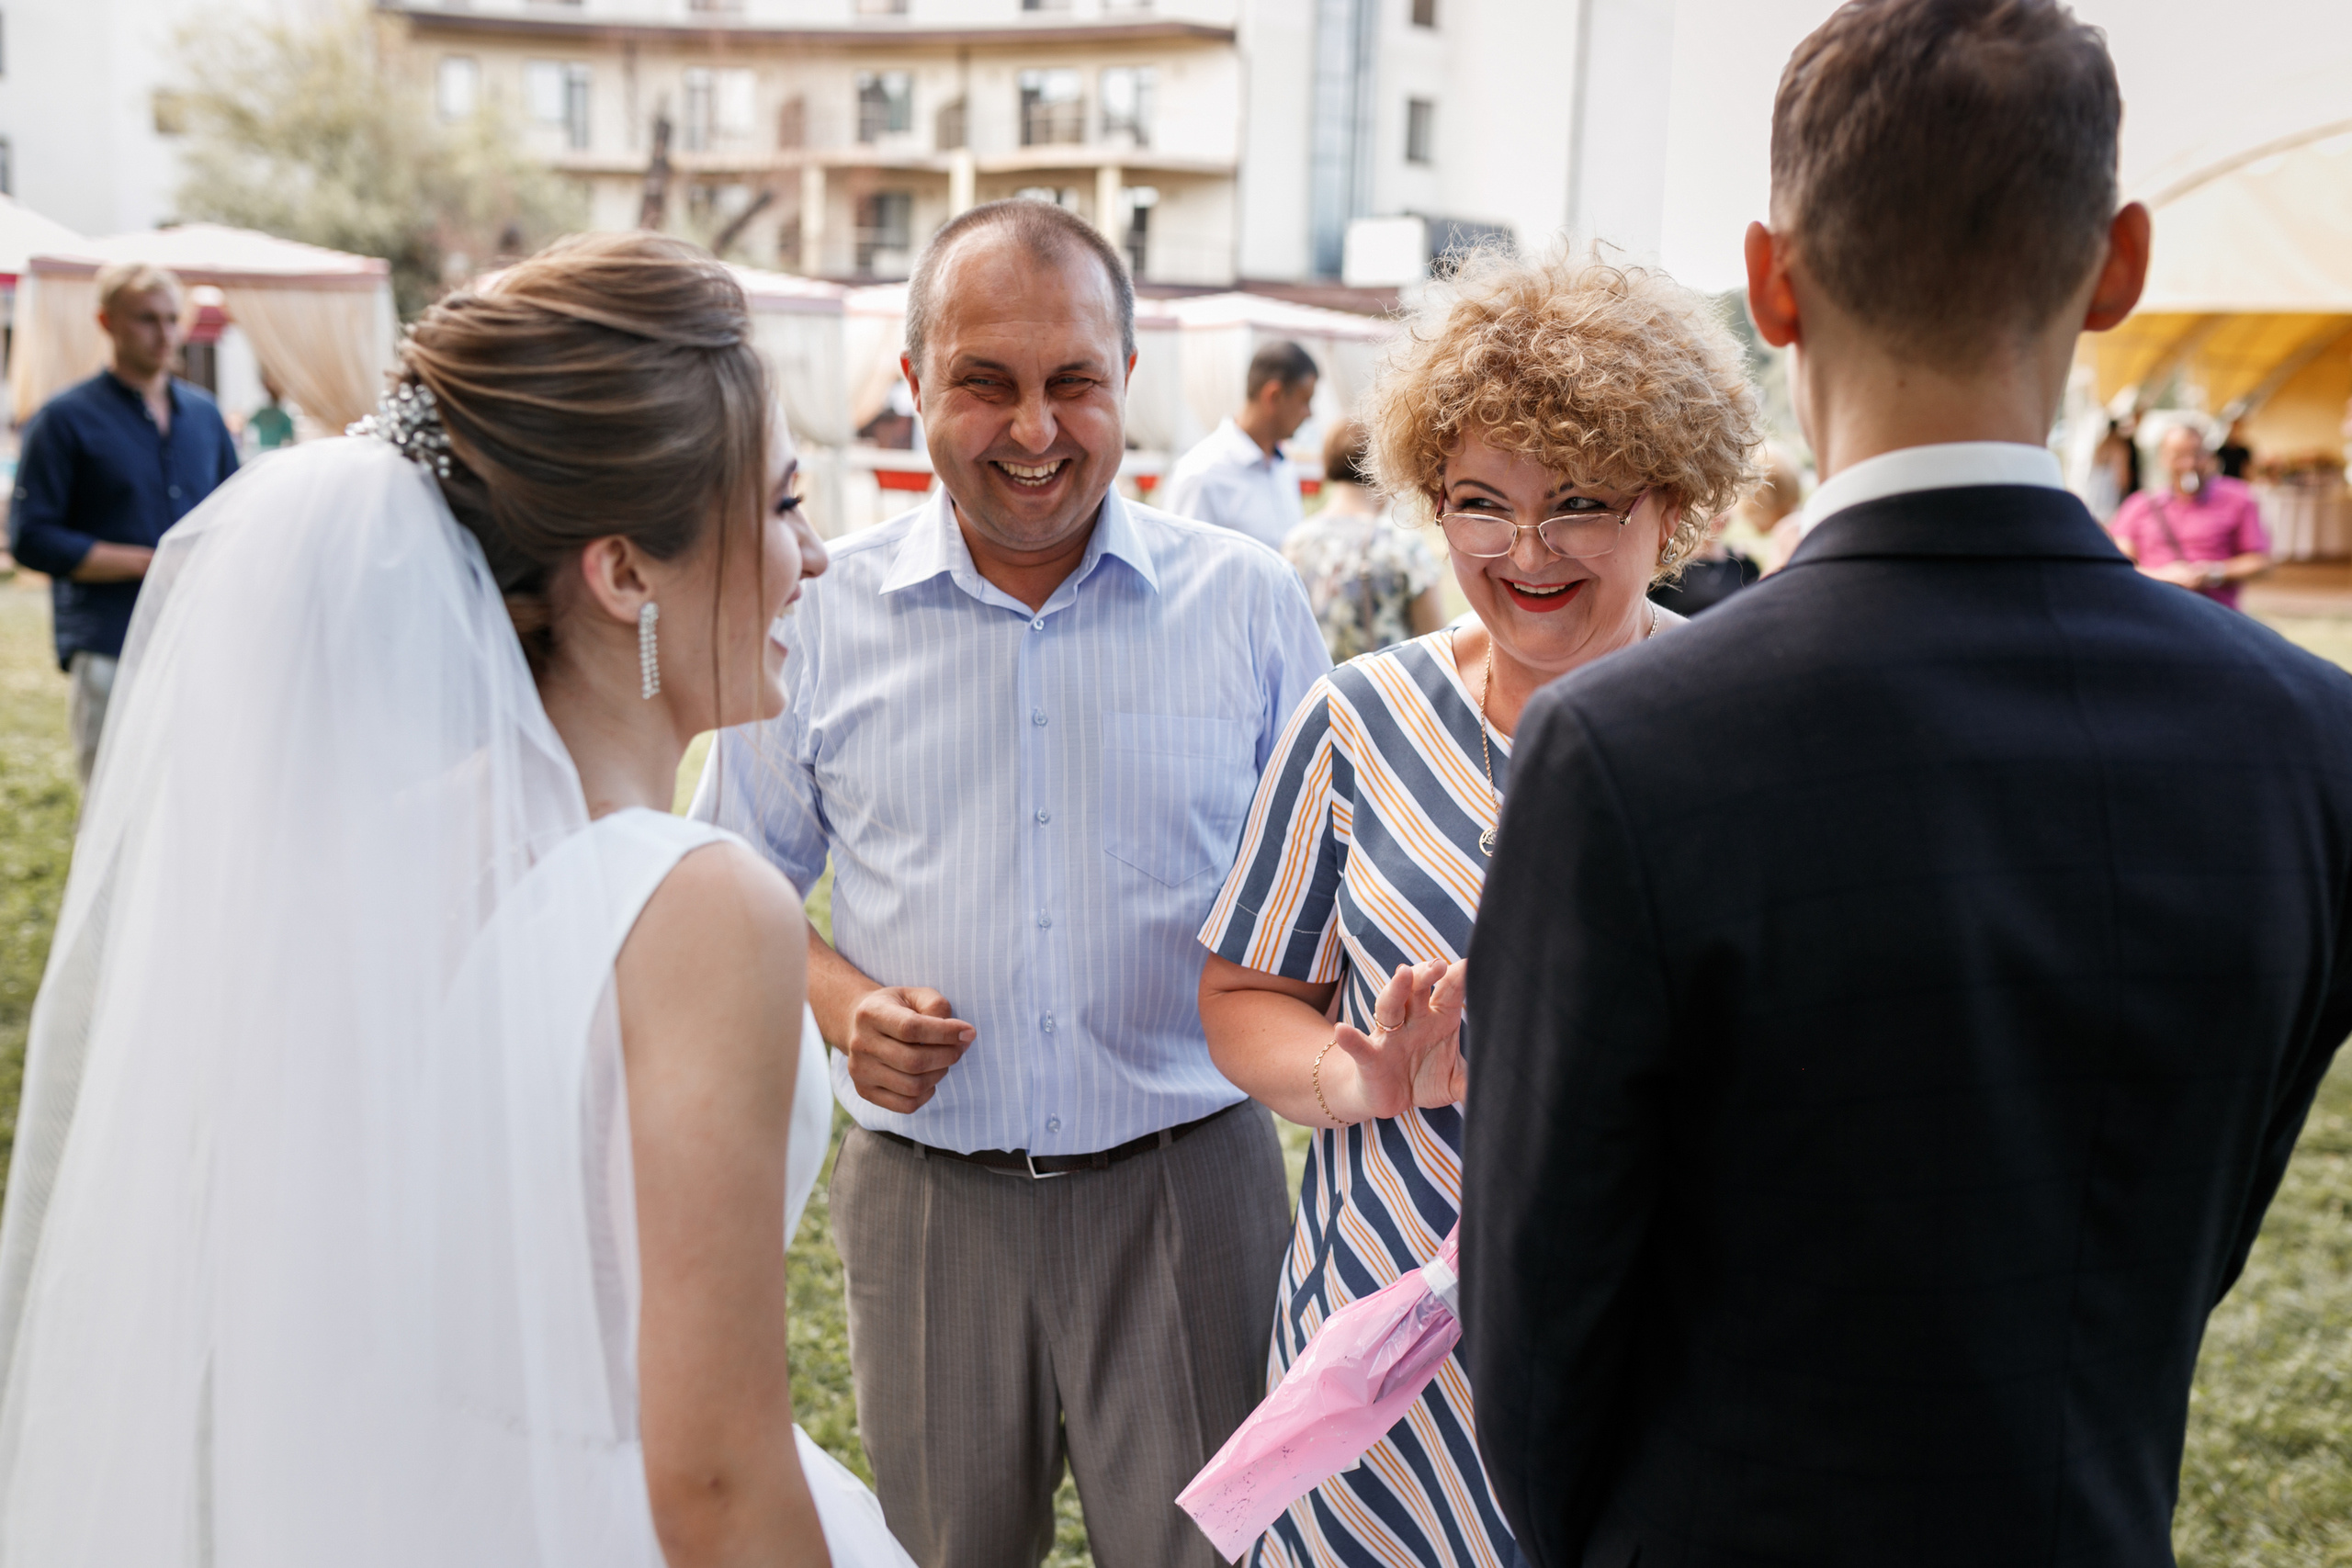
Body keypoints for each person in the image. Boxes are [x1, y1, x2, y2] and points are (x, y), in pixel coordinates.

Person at [1462, 2, 2352, 1564]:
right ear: (2122, 262)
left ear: (1773, 281)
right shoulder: (2310, 743)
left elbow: (1536, 1335)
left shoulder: (1628, 750)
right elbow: (2191, 1233)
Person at [0, 233, 913, 1567]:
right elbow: (714, 1485)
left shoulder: (370, 846)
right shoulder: (703, 911)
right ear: (621, 573)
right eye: (780, 508)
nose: (816, 557)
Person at [693, 198, 1329, 1568]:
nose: (1035, 429)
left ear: (1127, 382)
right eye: (985, 382)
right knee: (942, 1547)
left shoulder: (1252, 604)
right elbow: (725, 879)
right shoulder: (816, 611)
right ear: (914, 383)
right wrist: (844, 998)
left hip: (1189, 1191)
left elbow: (1325, 899)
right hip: (930, 1202)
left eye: (1072, 383)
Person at [1196, 249, 1758, 1568]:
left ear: (1667, 500)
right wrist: (1352, 1075)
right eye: (1478, 502)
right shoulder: (1359, 719)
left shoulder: (1741, 729)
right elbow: (1242, 996)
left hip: (1649, 1349)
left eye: (1576, 502)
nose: (1523, 551)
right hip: (1381, 1357)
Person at [7, 262, 239, 790]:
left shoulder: (205, 416)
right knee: (116, 813)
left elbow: (234, 514)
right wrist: (150, 563)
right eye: (146, 319)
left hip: (199, 639)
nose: (164, 334)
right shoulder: (63, 419)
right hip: (111, 642)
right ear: (107, 322)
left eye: (171, 319)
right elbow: (32, 538)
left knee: (199, 803)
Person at [1280, 416, 1446, 660]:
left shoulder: (1295, 543)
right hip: (1389, 692)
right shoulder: (1402, 545)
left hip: (1321, 694)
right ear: (1384, 471)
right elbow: (1437, 646)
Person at [1162, 339, 1319, 549]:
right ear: (1274, 395)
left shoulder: (1282, 467)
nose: (1309, 414)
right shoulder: (1201, 475)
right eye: (1304, 401)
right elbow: (1180, 567)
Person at [2109, 421, 2272, 608]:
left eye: (2197, 454)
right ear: (2163, 459)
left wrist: (2214, 573)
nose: (2189, 464)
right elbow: (2119, 563)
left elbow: (2261, 562)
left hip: (2214, 612)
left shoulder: (2239, 499)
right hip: (2155, 610)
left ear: (2210, 457)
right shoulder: (2140, 505)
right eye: (2179, 455)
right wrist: (2162, 576)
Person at [246, 372, 297, 454]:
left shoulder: (265, 413)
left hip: (268, 451)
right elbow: (290, 438)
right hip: (271, 451)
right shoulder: (279, 415)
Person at [2217, 414, 2253, 479]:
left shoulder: (2244, 452)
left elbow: (2247, 471)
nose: (2234, 433)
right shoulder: (2221, 451)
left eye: (2237, 431)